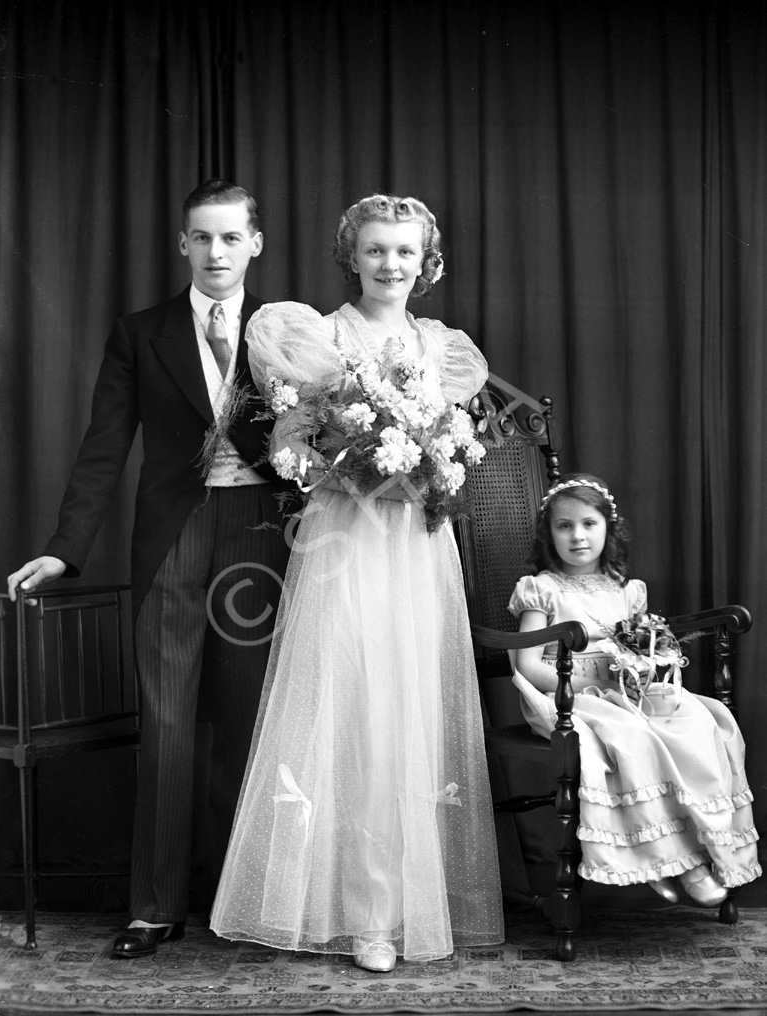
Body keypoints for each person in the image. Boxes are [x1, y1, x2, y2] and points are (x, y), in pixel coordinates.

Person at [210, 194, 504, 972]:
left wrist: (435, 459)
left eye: (405, 252)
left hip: (413, 547)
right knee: (355, 714)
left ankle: (412, 908)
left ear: (427, 261)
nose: (391, 265)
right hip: (346, 545)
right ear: (353, 255)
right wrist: (338, 457)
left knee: (408, 716)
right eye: (376, 250)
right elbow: (291, 451)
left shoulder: (442, 350)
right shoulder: (316, 335)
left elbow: (453, 448)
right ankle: (363, 917)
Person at [7, 179, 293, 957]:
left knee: (246, 721)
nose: (216, 252)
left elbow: (318, 446)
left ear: (254, 244)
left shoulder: (286, 330)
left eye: (231, 238)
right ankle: (154, 907)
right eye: (202, 237)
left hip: (260, 537)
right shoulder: (143, 332)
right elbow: (104, 447)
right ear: (182, 245)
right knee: (166, 723)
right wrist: (65, 547)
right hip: (172, 536)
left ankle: (247, 900)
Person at [509, 472, 761, 904]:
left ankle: (689, 856)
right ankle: (654, 857)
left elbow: (643, 648)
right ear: (549, 535)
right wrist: (586, 684)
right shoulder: (543, 589)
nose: (578, 536)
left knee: (700, 721)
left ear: (608, 527)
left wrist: (645, 666)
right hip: (564, 697)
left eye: (589, 523)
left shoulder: (626, 591)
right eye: (564, 526)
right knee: (633, 738)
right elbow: (526, 662)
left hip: (624, 692)